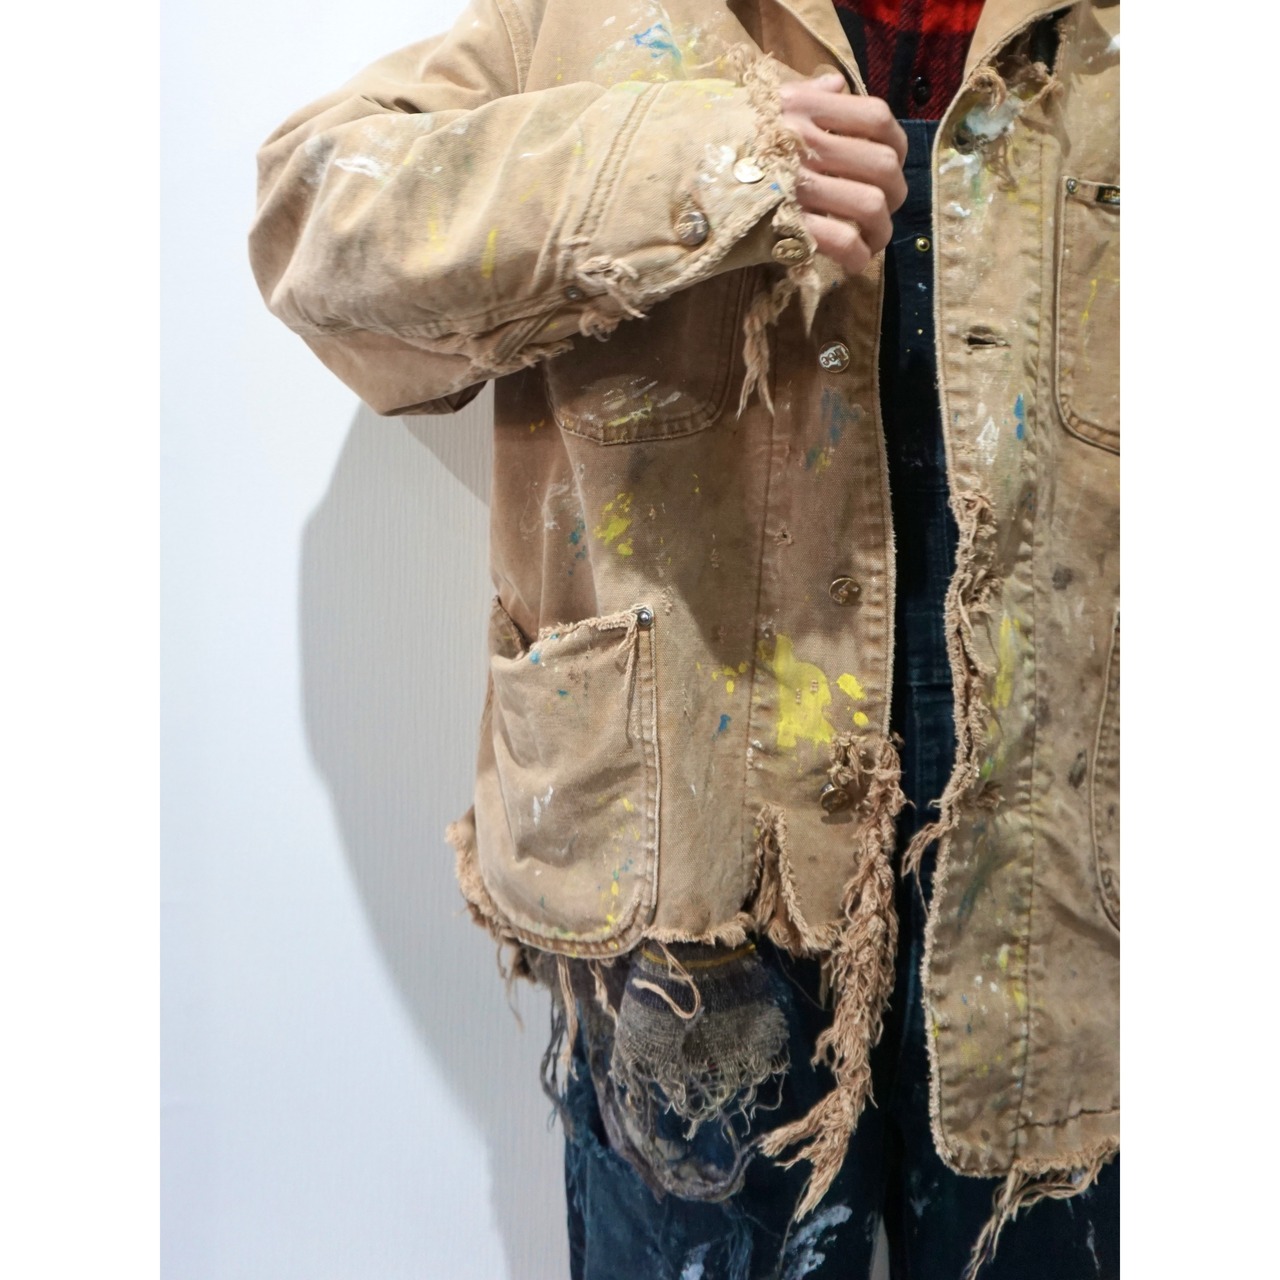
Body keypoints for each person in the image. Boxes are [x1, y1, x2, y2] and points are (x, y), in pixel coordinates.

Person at [250, 0, 1119, 1274]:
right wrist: (693, 162)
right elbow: (310, 219)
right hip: (691, 872)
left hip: (1066, 884)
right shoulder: (584, 15)